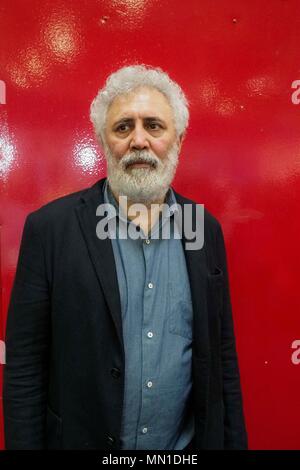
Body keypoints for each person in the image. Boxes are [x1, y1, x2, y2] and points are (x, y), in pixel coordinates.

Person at [3, 64, 248, 450]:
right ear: (104, 141)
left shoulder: (205, 230)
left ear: (178, 140)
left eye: (154, 126)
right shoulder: (50, 229)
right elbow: (25, 369)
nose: (138, 141)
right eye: (123, 127)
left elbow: (221, 359)